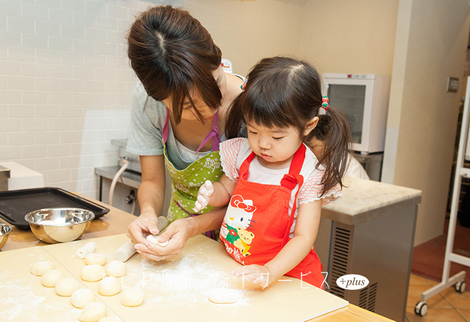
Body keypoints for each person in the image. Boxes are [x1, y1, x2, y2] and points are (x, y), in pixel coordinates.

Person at [192, 57, 351, 289]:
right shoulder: (242, 152)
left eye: (277, 137)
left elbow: (304, 238)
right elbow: (227, 191)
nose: (263, 144)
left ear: (308, 126)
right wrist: (210, 193)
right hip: (237, 264)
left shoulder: (310, 175)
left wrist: (269, 271)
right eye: (254, 131)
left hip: (286, 277)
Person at [125, 5, 244, 262]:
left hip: (242, 240)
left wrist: (194, 227)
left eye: (216, 84)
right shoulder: (148, 103)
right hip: (181, 240)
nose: (211, 106)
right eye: (189, 106)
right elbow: (153, 181)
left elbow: (258, 203)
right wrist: (147, 213)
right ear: (159, 99)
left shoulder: (253, 107)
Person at [306, 115, 369, 180]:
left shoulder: (350, 169)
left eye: (312, 147)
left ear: (330, 145)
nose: (308, 150)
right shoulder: (318, 162)